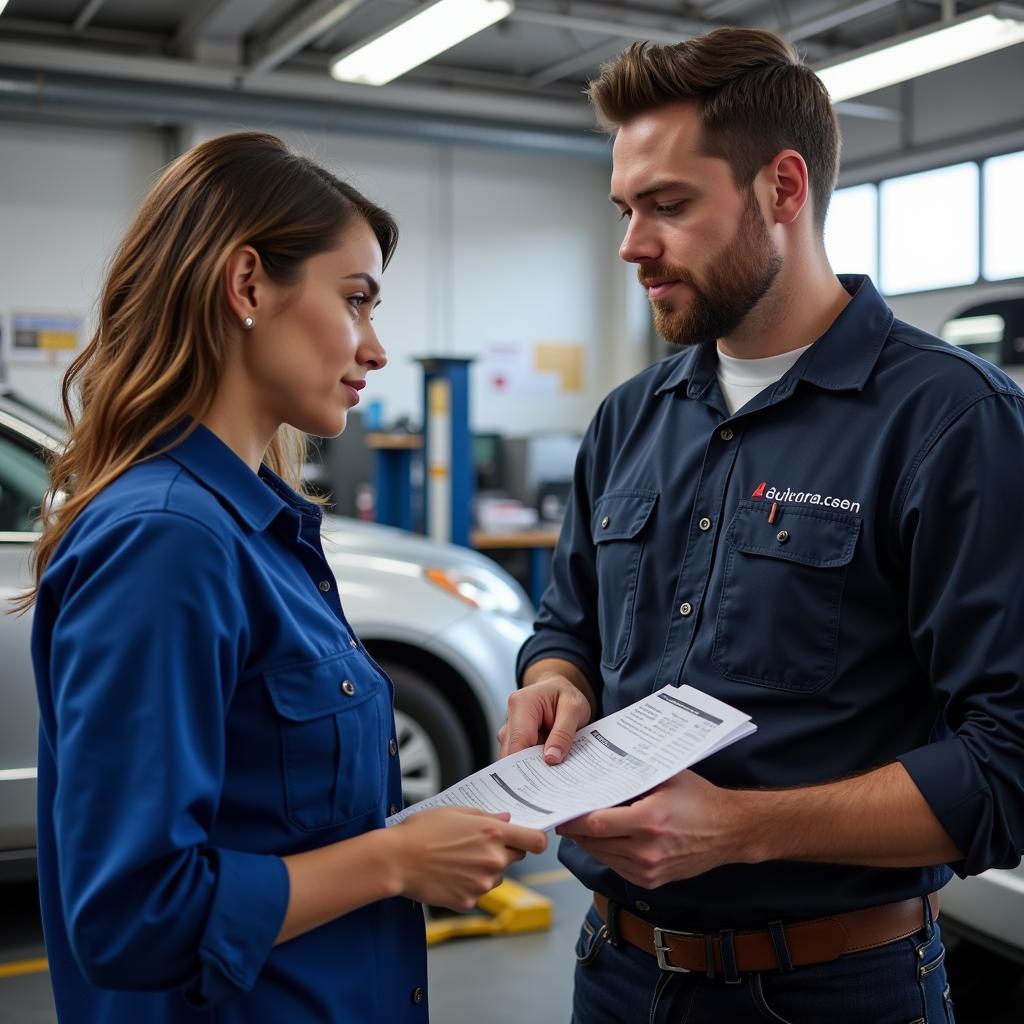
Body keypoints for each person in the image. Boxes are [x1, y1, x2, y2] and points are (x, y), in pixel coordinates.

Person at [500, 27, 1024, 1023]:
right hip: (612, 972)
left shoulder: (951, 421)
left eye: (667, 205)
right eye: (624, 208)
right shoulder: (628, 417)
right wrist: (552, 682)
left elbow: (1008, 764)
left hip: (835, 990)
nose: (631, 244)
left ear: (782, 189)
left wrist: (740, 829)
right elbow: (565, 626)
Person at [22, 131, 547, 1024]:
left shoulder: (257, 528)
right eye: (356, 300)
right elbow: (130, 916)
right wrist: (395, 861)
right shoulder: (168, 543)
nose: (375, 349)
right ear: (248, 285)